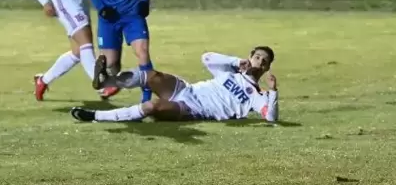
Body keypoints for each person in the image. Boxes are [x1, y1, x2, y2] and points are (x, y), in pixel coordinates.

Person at [70, 47, 278, 123]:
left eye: (264, 61)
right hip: (186, 90)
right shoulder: (229, 70)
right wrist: (233, 61)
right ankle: (106, 81)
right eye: (257, 56)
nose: (259, 61)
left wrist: (274, 92)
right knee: (150, 75)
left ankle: (95, 116)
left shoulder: (257, 95)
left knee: (151, 106)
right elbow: (206, 57)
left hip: (192, 109)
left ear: (266, 68)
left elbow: (270, 117)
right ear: (250, 57)